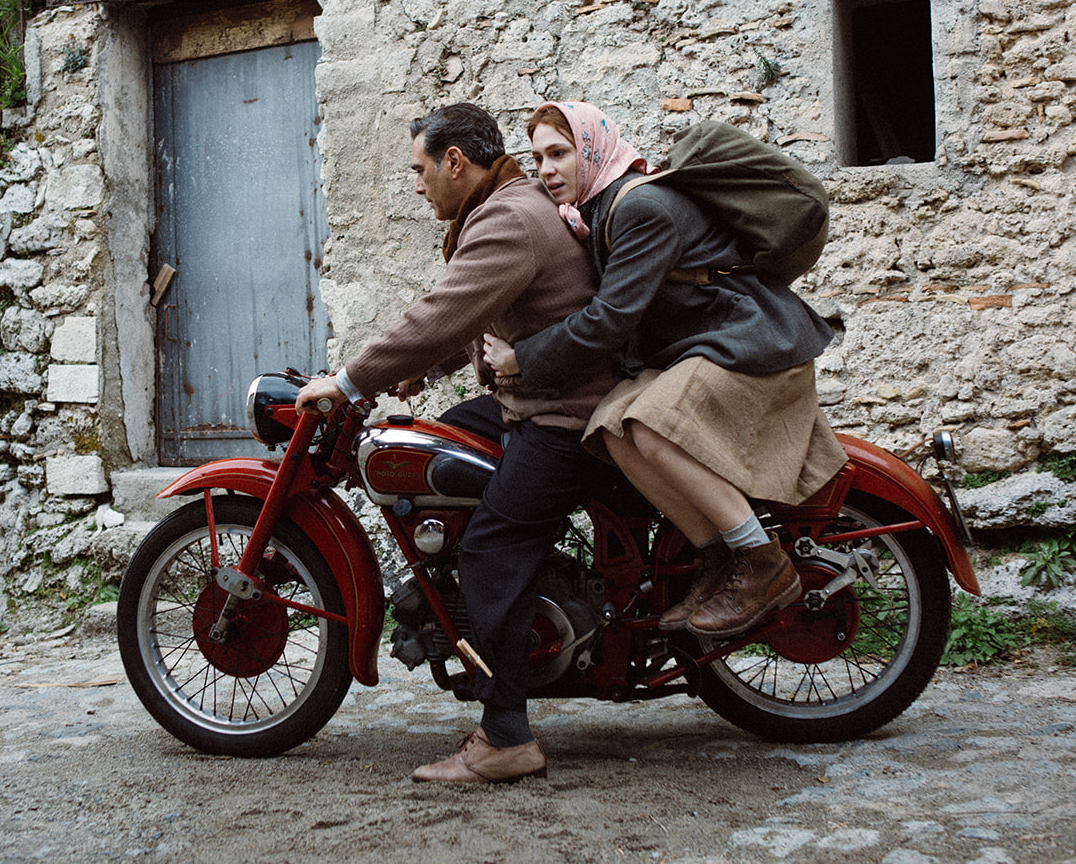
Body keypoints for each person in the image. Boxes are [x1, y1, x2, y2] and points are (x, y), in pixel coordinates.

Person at [295, 103, 617, 784]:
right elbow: (486, 310)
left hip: (564, 415)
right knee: (429, 444)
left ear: (454, 162)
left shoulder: (506, 218)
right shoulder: (510, 203)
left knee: (491, 544)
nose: (416, 185)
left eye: (419, 169)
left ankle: (506, 734)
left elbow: (445, 309)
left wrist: (350, 380)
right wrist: (424, 367)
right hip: (532, 400)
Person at [484, 101, 848, 640]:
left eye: (559, 154)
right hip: (706, 344)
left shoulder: (639, 207)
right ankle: (718, 560)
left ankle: (761, 561)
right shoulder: (597, 209)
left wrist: (524, 359)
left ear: (591, 150)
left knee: (651, 425)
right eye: (537, 158)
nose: (546, 170)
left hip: (748, 341)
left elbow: (609, 320)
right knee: (612, 430)